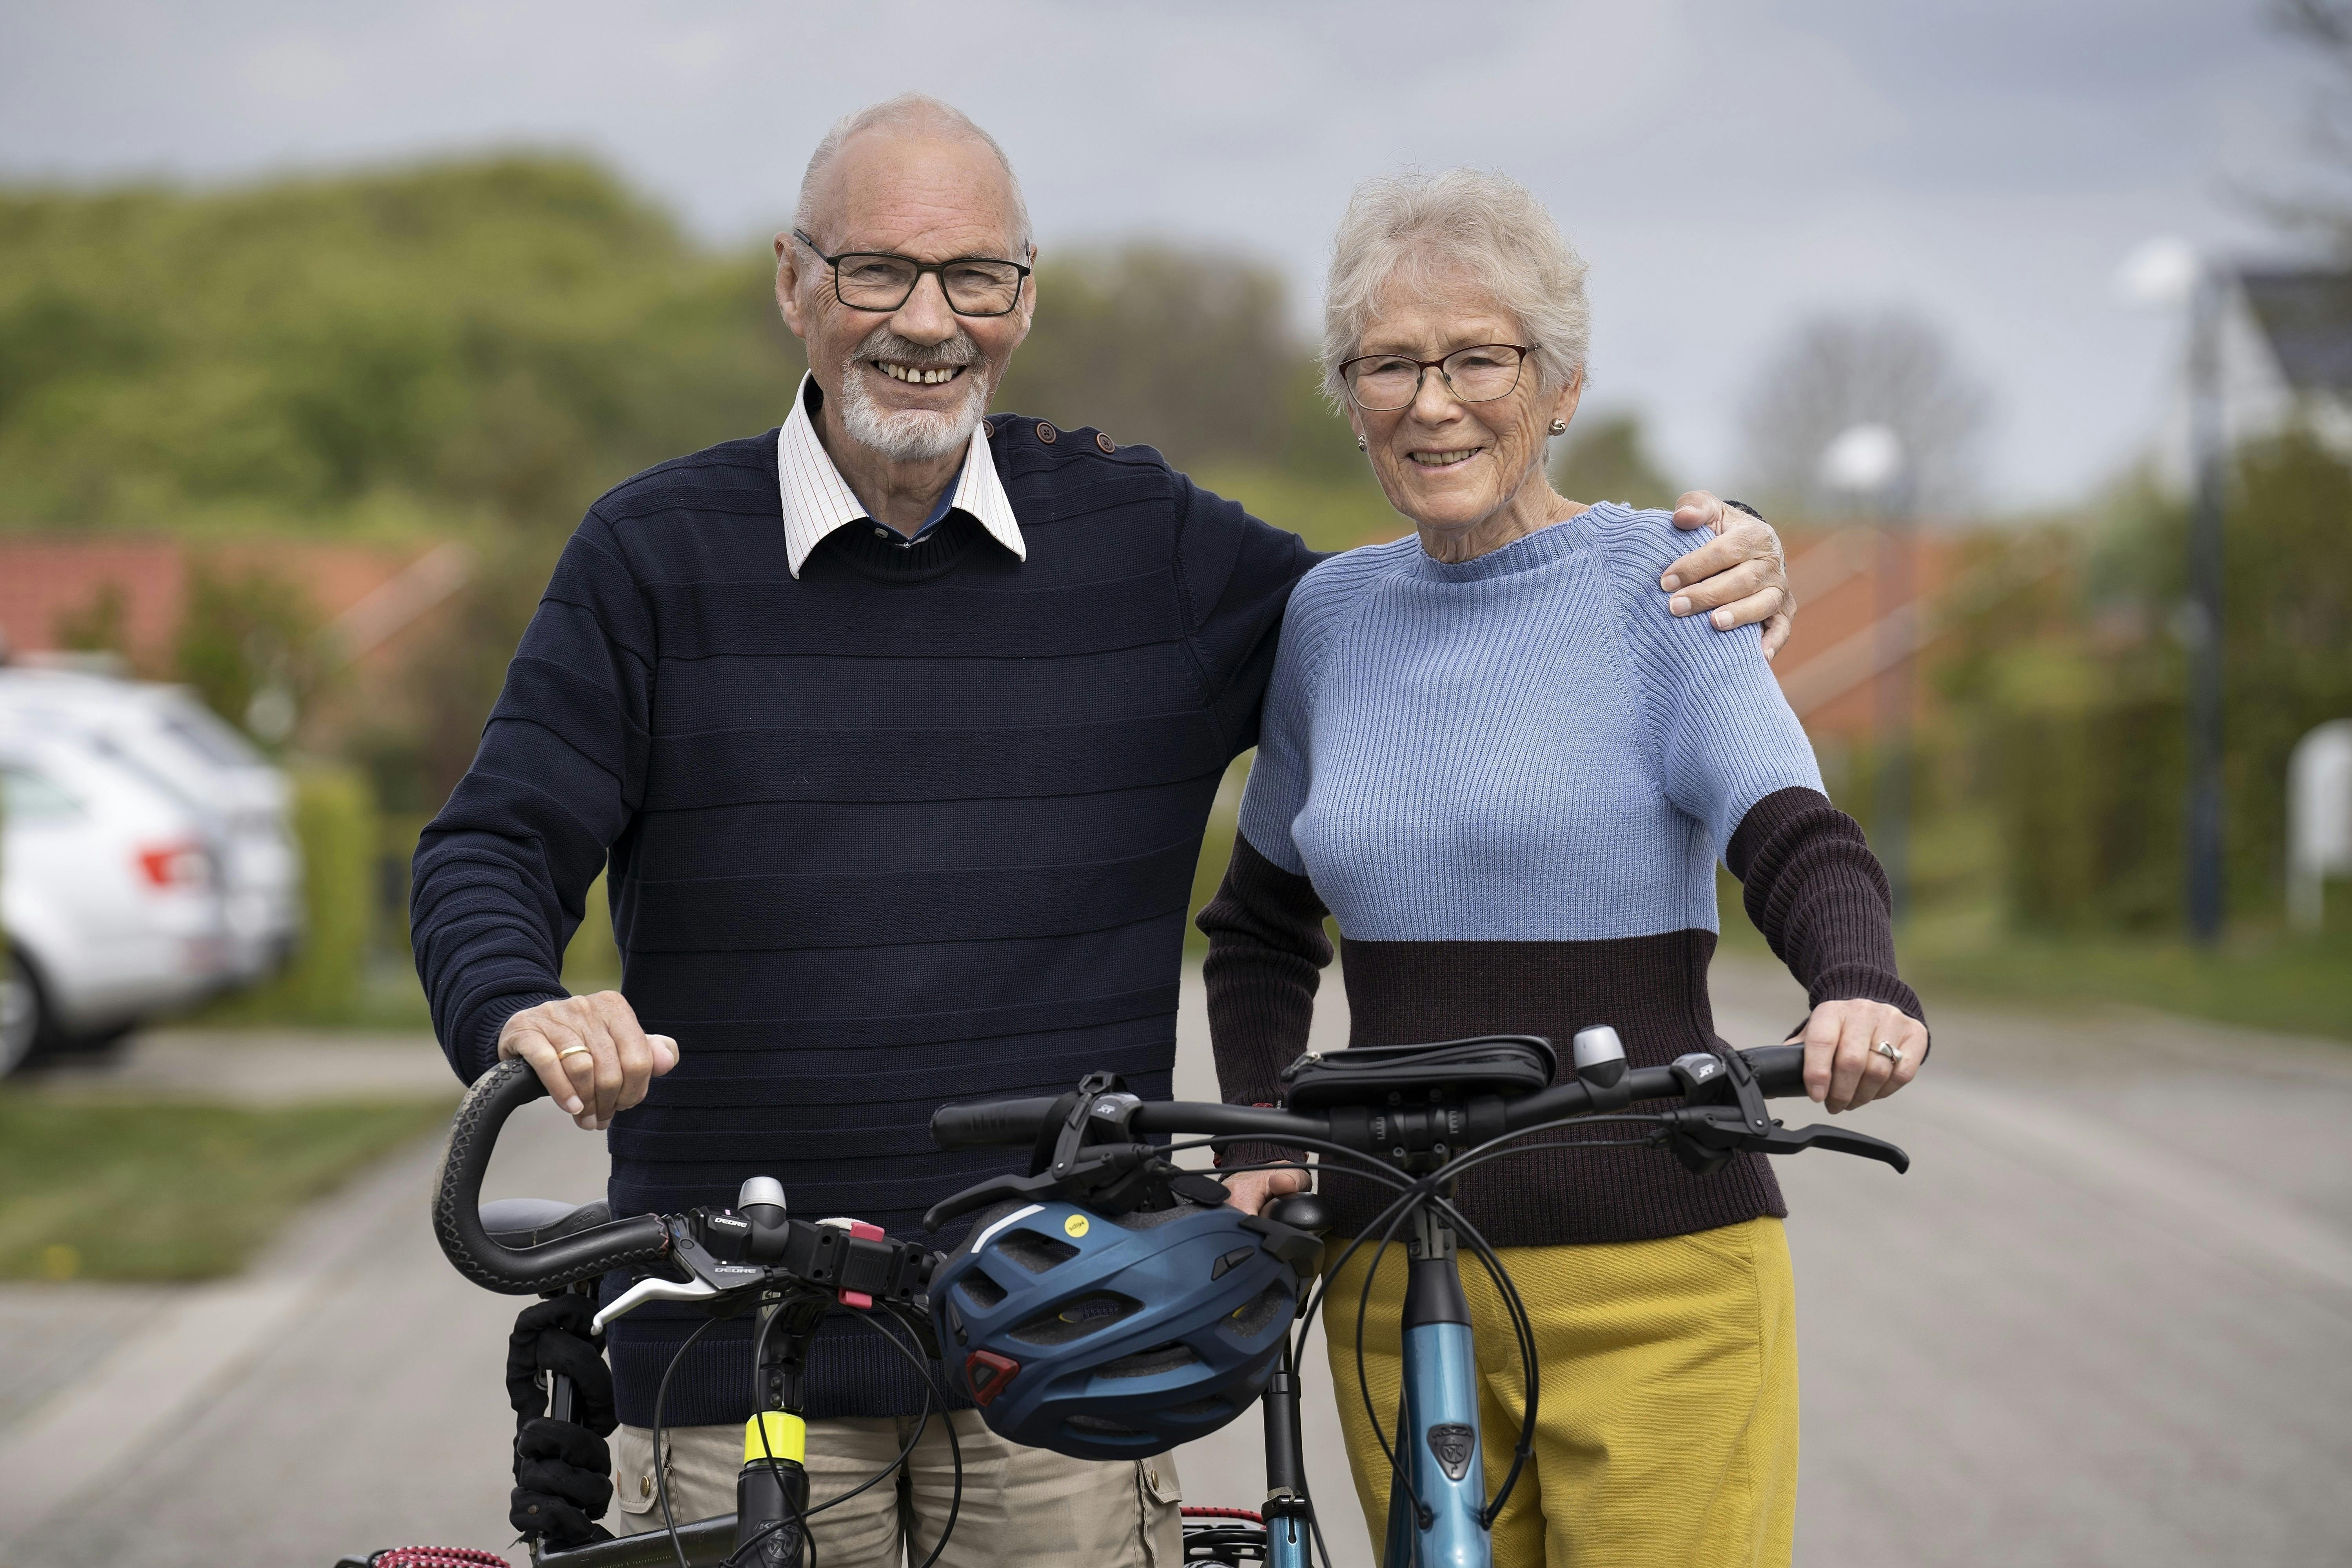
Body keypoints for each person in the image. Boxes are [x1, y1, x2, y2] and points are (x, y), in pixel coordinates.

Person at [412, 97, 1798, 1568]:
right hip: (738, 1356)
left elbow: (1445, 608)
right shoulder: (652, 556)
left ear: (1024, 298)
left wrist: (1695, 561)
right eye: (878, 271)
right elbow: (489, 848)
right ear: (794, 283)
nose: (927, 322)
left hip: (1068, 1358)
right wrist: (525, 1009)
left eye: (975, 279)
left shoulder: (1145, 546)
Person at [1201, 167, 1929, 1568]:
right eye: (1390, 365)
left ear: (1562, 387)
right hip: (1391, 1275)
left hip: (1659, 1269)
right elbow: (1263, 924)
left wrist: (1858, 984)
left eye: (1480, 357)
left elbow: (1790, 828)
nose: (1434, 401)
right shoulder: (1328, 620)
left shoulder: (1669, 585)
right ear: (1349, 398)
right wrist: (1254, 1130)